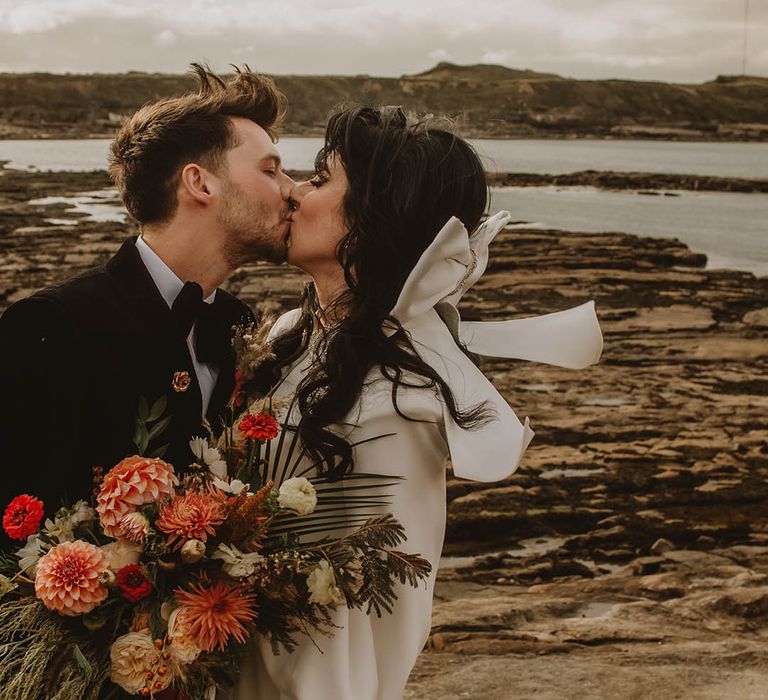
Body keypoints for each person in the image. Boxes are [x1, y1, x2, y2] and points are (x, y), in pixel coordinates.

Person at [227, 106, 603, 699]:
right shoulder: (289, 334)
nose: (294, 192)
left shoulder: (401, 399)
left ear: (376, 219)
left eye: (321, 179)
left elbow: (375, 603)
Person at [0, 64, 295, 542]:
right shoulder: (52, 324)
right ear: (200, 183)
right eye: (271, 169)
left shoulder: (237, 322)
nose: (292, 189)